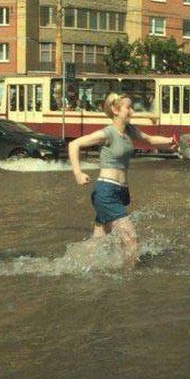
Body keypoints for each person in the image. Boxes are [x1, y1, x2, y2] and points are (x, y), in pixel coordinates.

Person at [68, 93, 176, 268]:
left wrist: (170, 142)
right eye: (128, 107)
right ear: (115, 110)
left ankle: (74, 263)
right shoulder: (108, 133)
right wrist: (78, 173)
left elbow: (148, 139)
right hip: (106, 191)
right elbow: (74, 144)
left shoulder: (130, 131)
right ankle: (127, 278)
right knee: (131, 239)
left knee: (98, 241)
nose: (132, 111)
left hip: (120, 192)